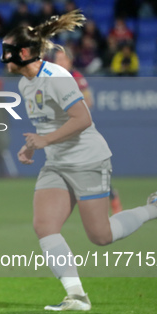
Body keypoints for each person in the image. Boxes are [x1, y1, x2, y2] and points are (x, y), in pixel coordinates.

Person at [1, 10, 157, 311]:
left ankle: (156, 208)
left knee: (101, 236)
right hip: (56, 163)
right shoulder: (25, 84)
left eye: (7, 51)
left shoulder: (57, 78)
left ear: (24, 52)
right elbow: (48, 124)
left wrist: (45, 141)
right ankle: (77, 296)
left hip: (87, 160)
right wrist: (34, 147)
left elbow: (83, 118)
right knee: (45, 225)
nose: (4, 58)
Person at [54, 47, 123, 214]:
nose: (59, 63)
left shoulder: (77, 78)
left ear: (70, 61)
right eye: (57, 59)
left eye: (63, 59)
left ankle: (112, 196)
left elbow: (89, 102)